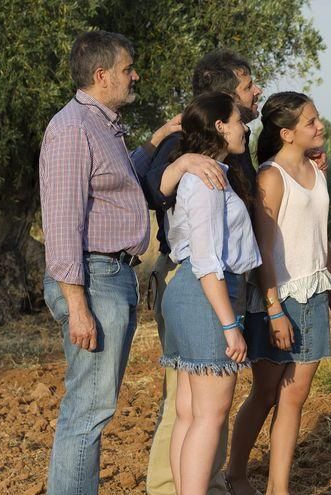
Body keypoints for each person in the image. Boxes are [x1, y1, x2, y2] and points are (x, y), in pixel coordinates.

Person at [39, 30, 216, 495]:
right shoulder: (73, 128)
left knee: (93, 408)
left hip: (110, 276)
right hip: (92, 280)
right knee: (88, 410)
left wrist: (158, 138)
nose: (134, 75)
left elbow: (122, 181)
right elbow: (60, 224)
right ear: (102, 76)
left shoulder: (102, 125)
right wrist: (77, 306)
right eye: (127, 69)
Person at [142, 49, 264, 495]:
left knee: (192, 412)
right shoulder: (207, 175)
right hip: (204, 292)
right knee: (205, 414)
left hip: (192, 293)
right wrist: (231, 325)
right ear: (219, 121)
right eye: (239, 114)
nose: (246, 124)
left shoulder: (211, 168)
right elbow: (208, 259)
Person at [226, 92, 331, 495]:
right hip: (276, 300)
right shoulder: (270, 177)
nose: (320, 125)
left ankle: (279, 489)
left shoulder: (318, 173)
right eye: (311, 122)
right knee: (264, 393)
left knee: (295, 397)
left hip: (314, 294)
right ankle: (236, 475)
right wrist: (274, 308)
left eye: (317, 118)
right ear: (287, 133)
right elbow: (262, 251)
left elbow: (321, 241)